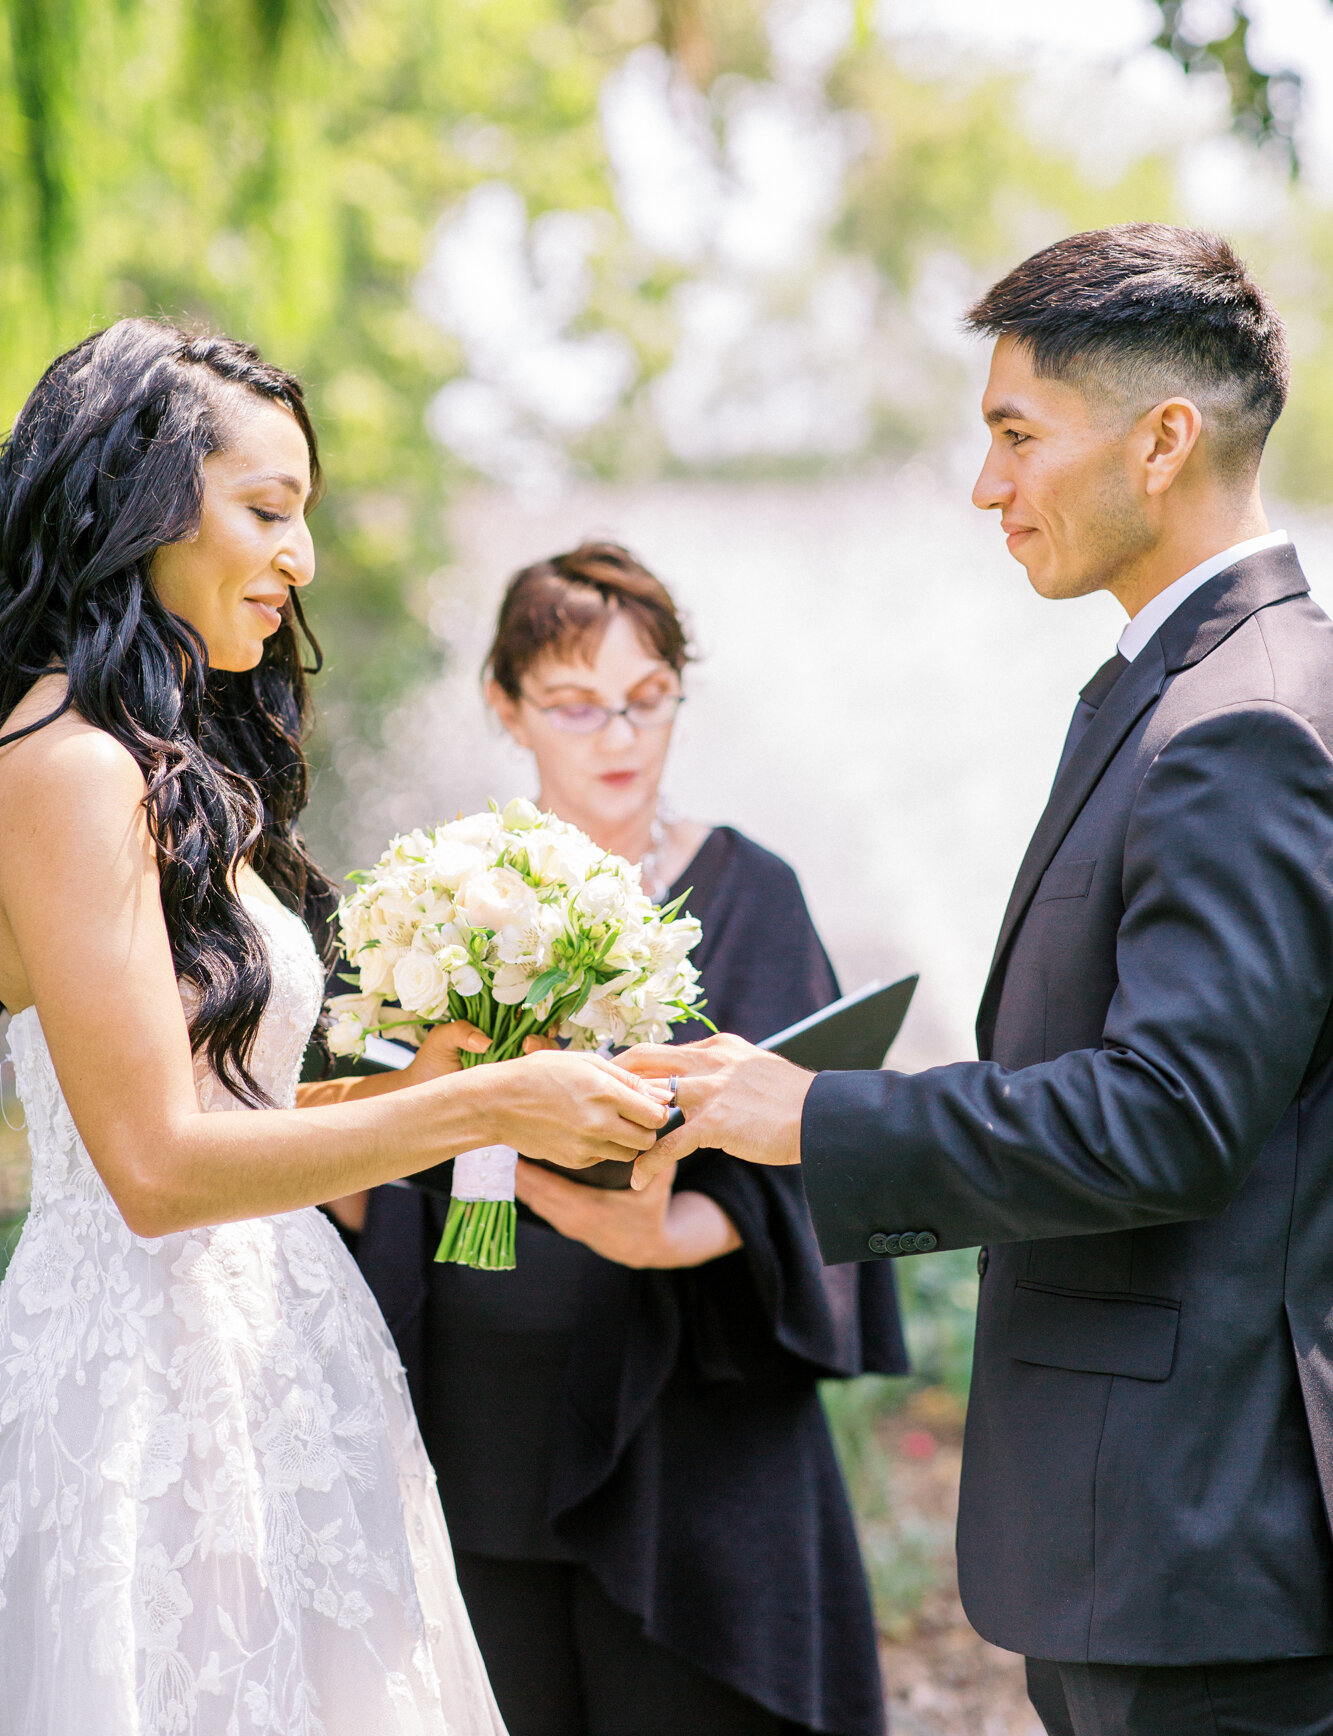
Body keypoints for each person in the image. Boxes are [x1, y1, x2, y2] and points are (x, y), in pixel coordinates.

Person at [627, 226, 1333, 1736]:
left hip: (1200, 1537)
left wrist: (816, 1119)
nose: (986, 486)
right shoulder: (1194, 689)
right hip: (1149, 1536)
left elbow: (1169, 1119)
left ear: (1160, 442)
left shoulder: (1242, 721)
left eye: (1016, 436)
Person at [0, 322, 670, 1736]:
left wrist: (422, 1085)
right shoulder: (63, 769)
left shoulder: (171, 769)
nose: (299, 560)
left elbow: (221, 1120)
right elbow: (155, 1170)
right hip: (147, 1383)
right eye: (267, 511)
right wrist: (486, 1112)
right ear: (137, 504)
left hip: (279, 1354)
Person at [337, 542, 907, 1736]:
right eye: (576, 702)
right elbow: (359, 1144)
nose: (619, 734)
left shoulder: (753, 889)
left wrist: (662, 1233)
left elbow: (808, 1161)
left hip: (682, 1423)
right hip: (471, 1412)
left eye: (649, 700)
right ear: (506, 705)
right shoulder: (438, 899)